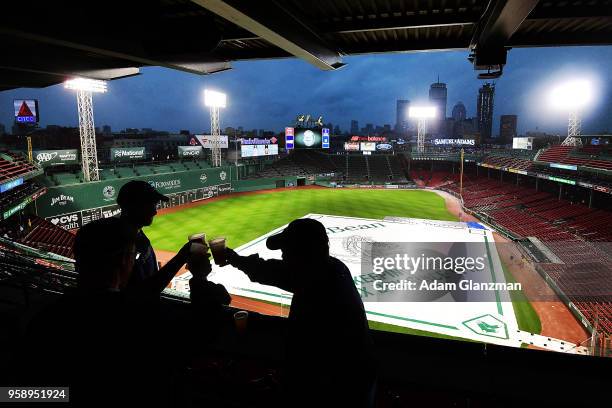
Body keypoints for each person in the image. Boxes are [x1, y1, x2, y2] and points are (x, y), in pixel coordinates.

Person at [223, 218, 376, 407]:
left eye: (287, 250)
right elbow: (274, 271)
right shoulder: (332, 268)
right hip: (354, 378)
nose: (282, 256)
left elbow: (271, 272)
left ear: (305, 253)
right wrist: (237, 260)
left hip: (338, 389)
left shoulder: (315, 279)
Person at [115, 180, 192, 300]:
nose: (155, 211)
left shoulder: (136, 233)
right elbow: (144, 291)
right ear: (134, 206)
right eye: (150, 205)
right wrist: (181, 258)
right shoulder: (122, 241)